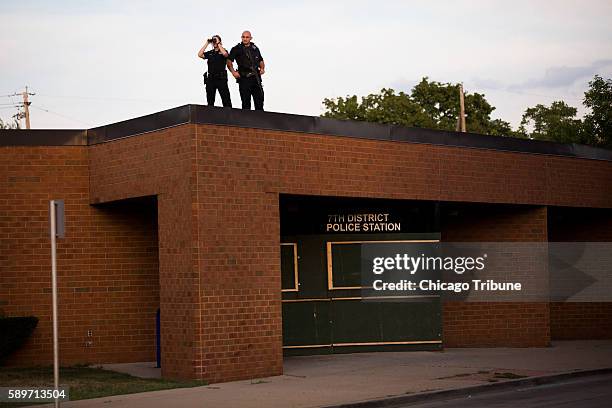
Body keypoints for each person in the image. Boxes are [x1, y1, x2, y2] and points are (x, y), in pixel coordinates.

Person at [227, 30, 265, 110]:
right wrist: (233, 72)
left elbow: (261, 60)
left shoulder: (255, 48)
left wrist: (262, 68)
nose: (245, 39)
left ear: (251, 38)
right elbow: (229, 61)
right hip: (244, 78)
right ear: (241, 37)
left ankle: (260, 121)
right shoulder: (236, 49)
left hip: (256, 78)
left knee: (259, 102)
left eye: (247, 37)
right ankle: (247, 122)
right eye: (243, 37)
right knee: (246, 103)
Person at [197, 35, 232, 107]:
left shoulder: (223, 51)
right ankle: (210, 116)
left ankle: (229, 116)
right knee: (210, 100)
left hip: (221, 78)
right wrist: (207, 43)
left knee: (226, 99)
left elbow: (225, 54)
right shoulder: (210, 53)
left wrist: (219, 44)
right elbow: (200, 54)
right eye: (213, 41)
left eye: (215, 41)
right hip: (211, 79)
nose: (214, 42)